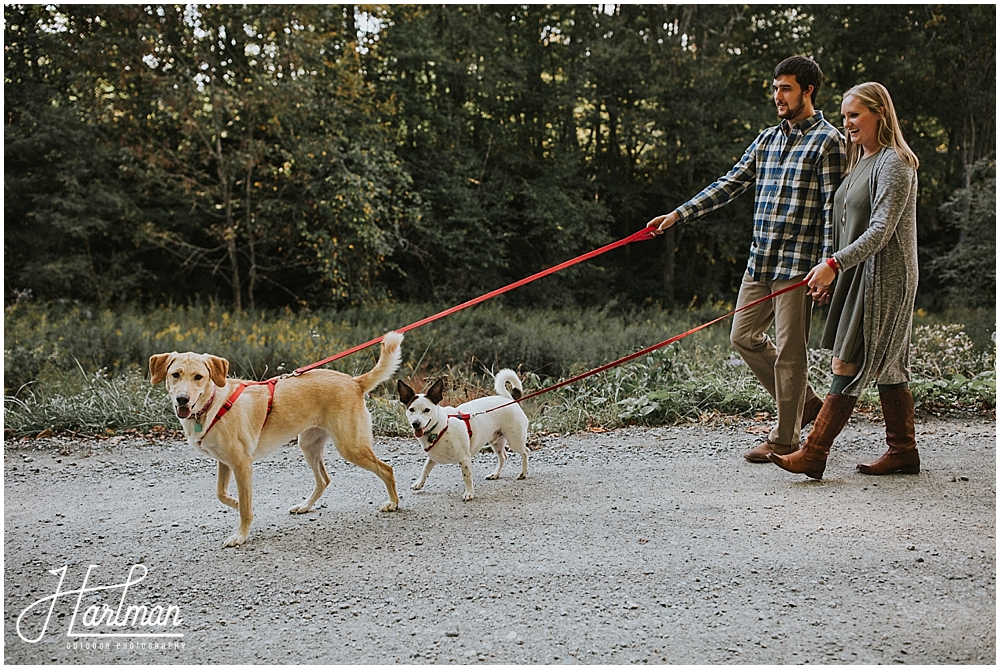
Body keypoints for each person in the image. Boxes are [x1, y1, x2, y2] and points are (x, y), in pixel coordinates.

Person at [646, 56, 846, 463]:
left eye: (786, 88)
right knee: (743, 336)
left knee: (792, 351)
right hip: (761, 261)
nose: (778, 96)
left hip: (798, 264)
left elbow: (833, 210)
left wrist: (830, 267)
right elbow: (730, 183)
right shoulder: (768, 139)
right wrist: (678, 214)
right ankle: (804, 403)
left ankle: (786, 439)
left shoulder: (829, 141)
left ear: (808, 91)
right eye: (775, 88)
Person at [769, 81, 920, 480]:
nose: (847, 123)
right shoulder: (861, 160)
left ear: (880, 114)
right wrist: (831, 271)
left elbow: (881, 230)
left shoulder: (895, 163)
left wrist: (834, 264)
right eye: (844, 116)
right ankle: (903, 450)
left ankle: (814, 452)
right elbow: (845, 226)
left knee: (847, 360)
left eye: (855, 115)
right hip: (857, 272)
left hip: (886, 277)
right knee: (889, 365)